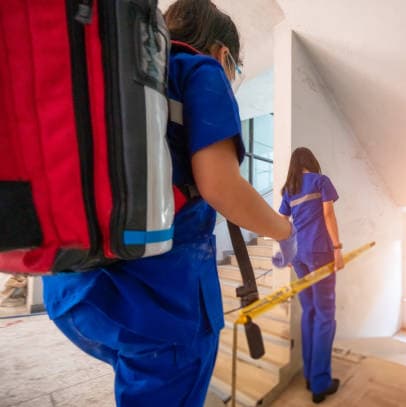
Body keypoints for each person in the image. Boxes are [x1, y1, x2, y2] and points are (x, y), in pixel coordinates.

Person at [42, 1, 296, 406]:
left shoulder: (125, 73)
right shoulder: (199, 69)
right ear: (223, 53)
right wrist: (286, 230)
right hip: (157, 305)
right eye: (238, 71)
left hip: (71, 287)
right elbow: (220, 187)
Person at [278, 147, 344, 404]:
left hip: (299, 256)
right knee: (326, 316)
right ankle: (320, 383)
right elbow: (328, 214)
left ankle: (309, 375)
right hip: (319, 253)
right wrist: (337, 248)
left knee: (310, 313)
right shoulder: (320, 181)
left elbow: (283, 222)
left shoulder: (289, 189)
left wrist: (286, 253)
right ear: (311, 162)